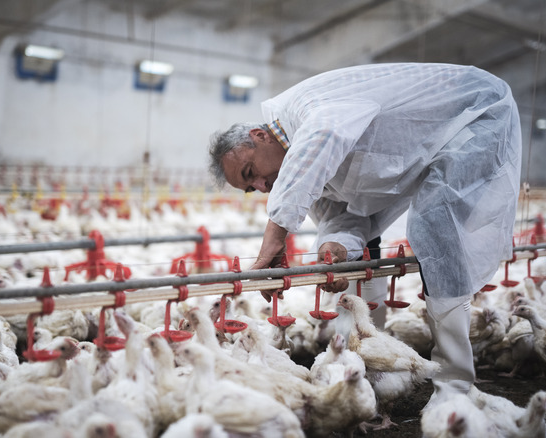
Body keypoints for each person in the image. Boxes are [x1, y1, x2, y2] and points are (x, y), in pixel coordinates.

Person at [207, 63, 522, 405]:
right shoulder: (304, 172)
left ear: (260, 136)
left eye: (251, 172)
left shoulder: (305, 109)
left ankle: (456, 384)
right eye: (251, 188)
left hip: (474, 112)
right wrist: (334, 250)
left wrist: (274, 235)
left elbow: (323, 138)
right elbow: (343, 221)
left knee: (435, 225)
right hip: (443, 140)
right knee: (427, 227)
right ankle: (379, 347)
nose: (261, 185)